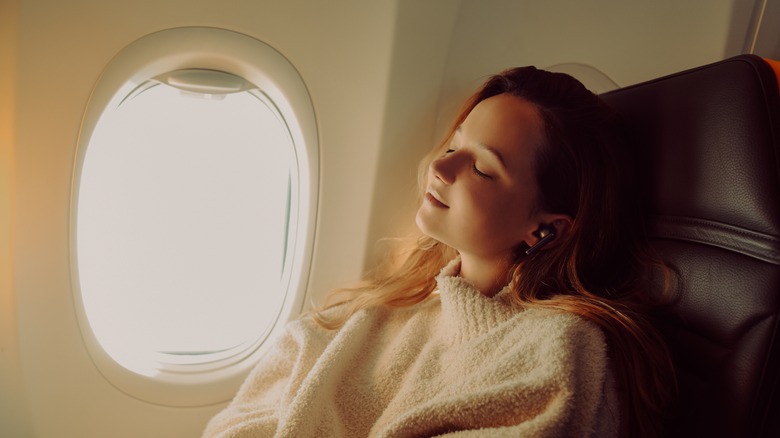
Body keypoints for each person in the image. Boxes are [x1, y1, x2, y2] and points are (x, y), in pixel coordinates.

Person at [203, 66, 675, 438]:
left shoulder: (557, 348)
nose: (441, 166)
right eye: (454, 144)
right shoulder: (398, 302)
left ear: (545, 230)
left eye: (483, 168)